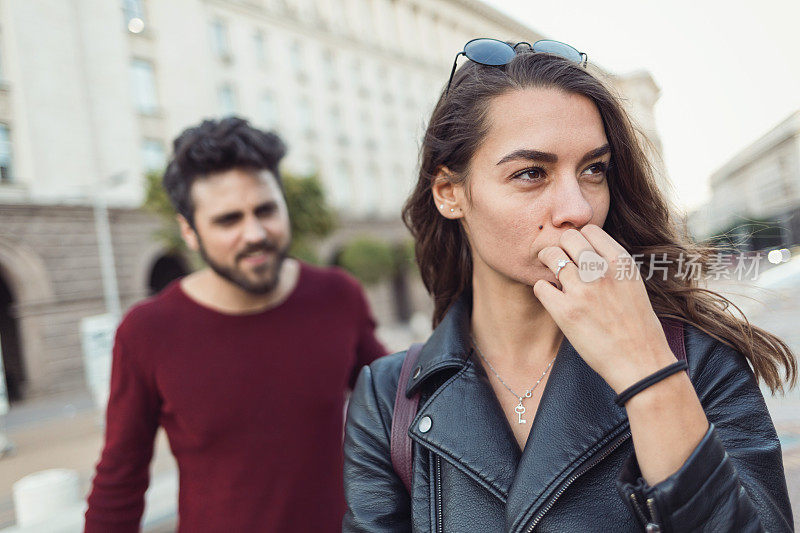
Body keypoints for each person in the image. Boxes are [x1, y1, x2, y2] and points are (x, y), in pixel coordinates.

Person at [342, 39, 796, 532]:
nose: (577, 209)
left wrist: (648, 370)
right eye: (531, 173)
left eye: (593, 170)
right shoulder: (391, 399)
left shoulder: (698, 359)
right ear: (451, 193)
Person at [85, 117, 387, 532]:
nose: (255, 233)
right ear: (189, 231)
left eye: (266, 209)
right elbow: (119, 482)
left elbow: (398, 408)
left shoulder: (338, 295)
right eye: (228, 220)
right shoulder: (147, 331)